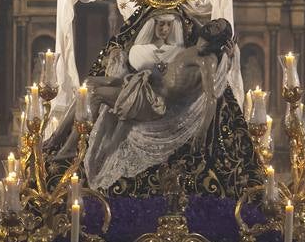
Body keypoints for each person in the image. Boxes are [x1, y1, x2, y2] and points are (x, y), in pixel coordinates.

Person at [84, 18, 234, 190]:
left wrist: (202, 129)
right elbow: (197, 26)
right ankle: (68, 143)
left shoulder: (208, 59)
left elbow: (211, 96)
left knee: (95, 95)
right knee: (89, 82)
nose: (212, 24)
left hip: (153, 101)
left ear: (220, 37)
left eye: (217, 27)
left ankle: (82, 141)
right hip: (147, 84)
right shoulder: (195, 48)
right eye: (214, 22)